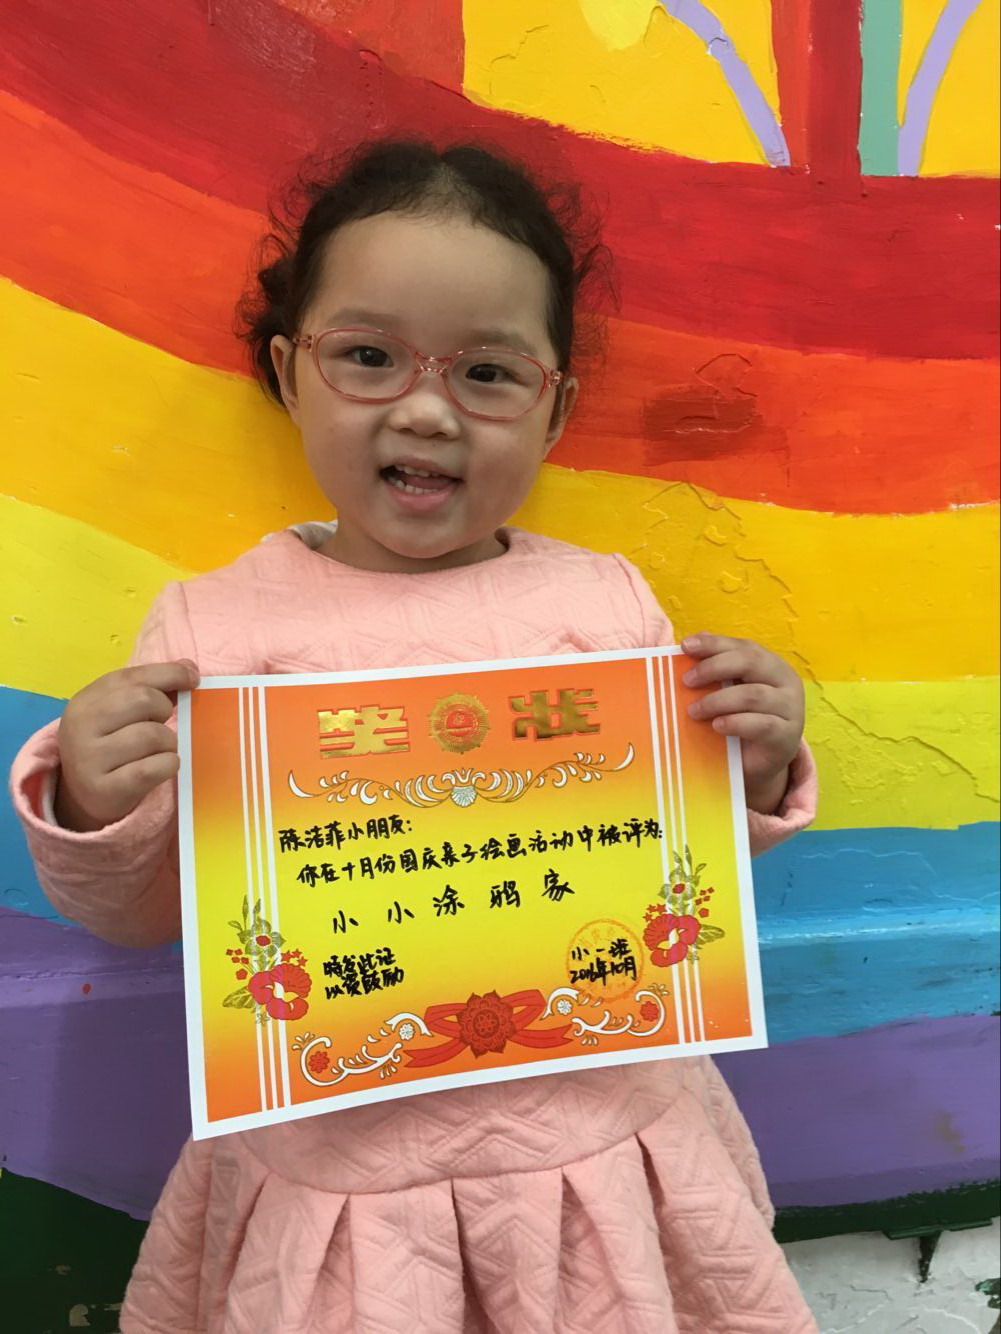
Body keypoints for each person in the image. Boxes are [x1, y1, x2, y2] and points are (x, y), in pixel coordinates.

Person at [10, 140, 818, 1333]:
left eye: (487, 371)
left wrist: (747, 763)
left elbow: (664, 877)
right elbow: (142, 909)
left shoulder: (600, 605)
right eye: (368, 356)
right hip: (344, 1188)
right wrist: (93, 795)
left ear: (555, 410)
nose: (427, 408)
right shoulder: (213, 629)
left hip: (603, 1157)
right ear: (289, 373)